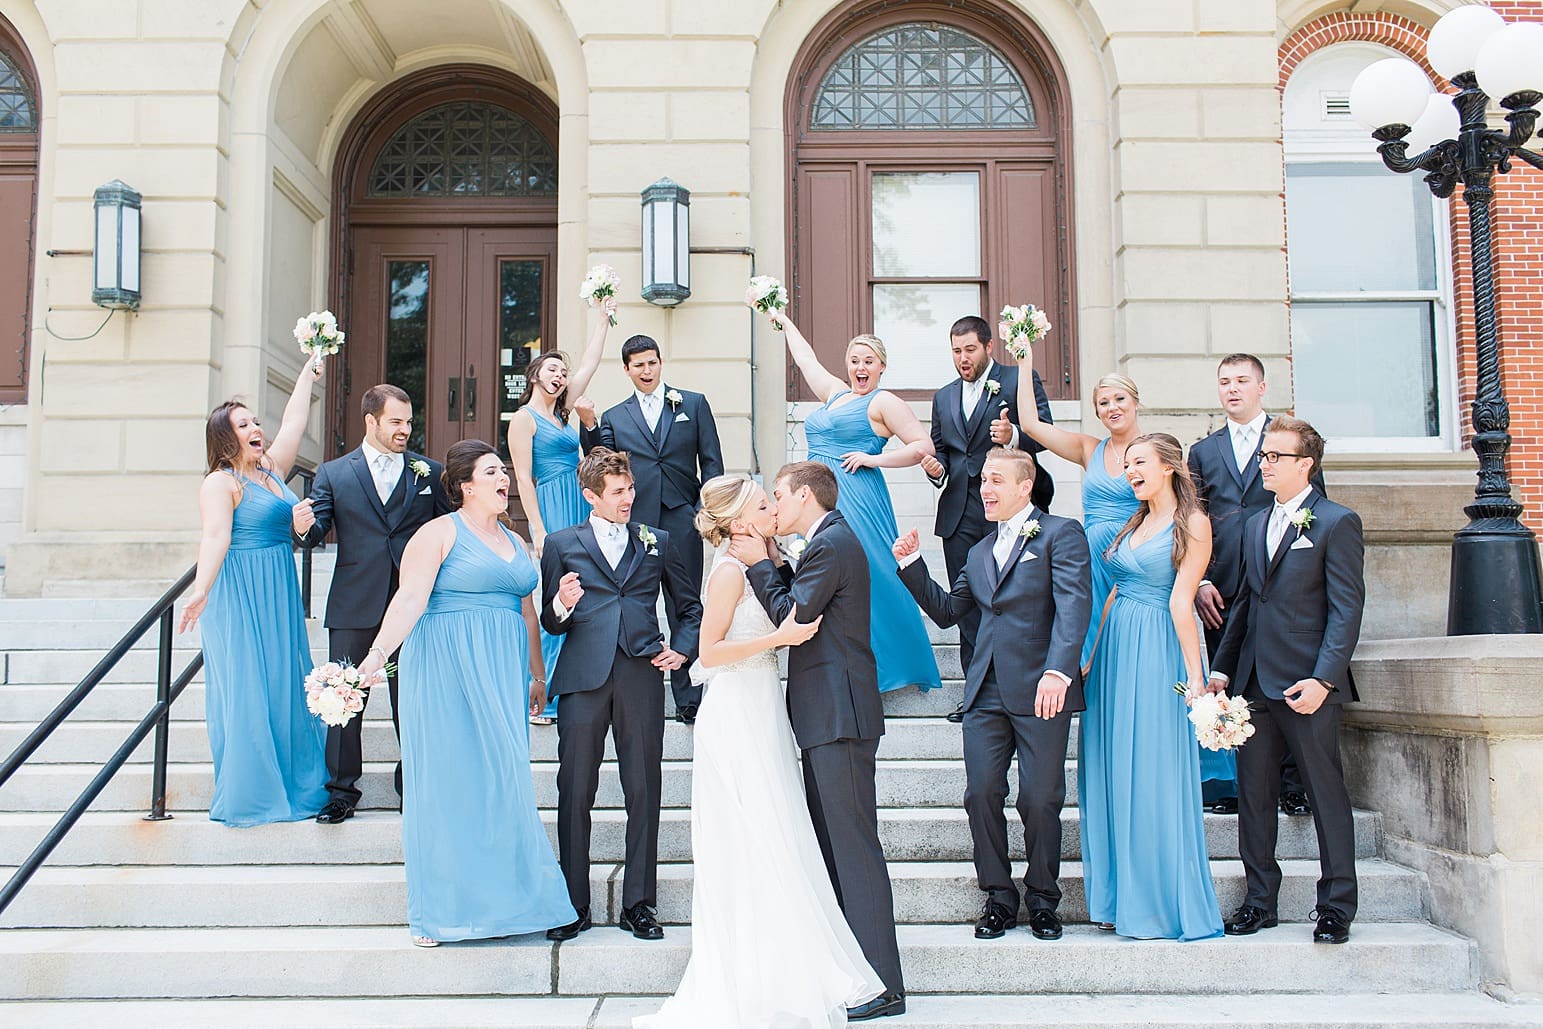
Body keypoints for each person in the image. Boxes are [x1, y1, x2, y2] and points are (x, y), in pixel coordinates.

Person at [636, 475, 885, 1028]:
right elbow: (710, 652)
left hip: (765, 710)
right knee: (751, 836)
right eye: (763, 503)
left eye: (774, 499)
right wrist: (778, 640)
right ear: (740, 520)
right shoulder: (727, 570)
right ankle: (754, 970)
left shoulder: (767, 560)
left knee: (779, 833)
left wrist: (770, 573)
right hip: (735, 713)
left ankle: (787, 958)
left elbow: (788, 597)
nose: (773, 509)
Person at [355, 439, 573, 947]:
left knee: (504, 780)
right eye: (493, 471)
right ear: (465, 485)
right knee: (447, 783)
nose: (505, 480)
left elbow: (525, 613)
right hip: (444, 667)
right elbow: (409, 598)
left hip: (502, 670)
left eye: (505, 471)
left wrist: (538, 678)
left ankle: (508, 901)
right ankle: (438, 911)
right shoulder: (436, 534)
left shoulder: (517, 543)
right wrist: (375, 654)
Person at [730, 461, 906, 1022]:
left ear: (804, 496)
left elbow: (794, 619)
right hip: (824, 715)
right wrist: (777, 562)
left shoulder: (831, 544)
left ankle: (886, 984)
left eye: (778, 496)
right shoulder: (823, 541)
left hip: (840, 717)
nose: (774, 506)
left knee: (854, 851)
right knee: (834, 849)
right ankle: (853, 972)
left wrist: (760, 565)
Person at [895, 448, 1090, 943]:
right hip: (985, 692)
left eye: (997, 480)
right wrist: (912, 565)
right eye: (983, 480)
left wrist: (1059, 672)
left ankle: (1043, 900)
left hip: (1043, 688)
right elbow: (947, 611)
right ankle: (999, 897)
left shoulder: (1060, 535)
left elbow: (1073, 607)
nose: (986, 488)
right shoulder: (979, 551)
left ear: (1025, 487)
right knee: (980, 792)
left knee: (1041, 798)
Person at [1210, 417, 1364, 946]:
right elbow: (1247, 604)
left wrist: (1324, 679)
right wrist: (1222, 669)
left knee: (1325, 793)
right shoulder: (1254, 523)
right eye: (1264, 456)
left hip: (1309, 686)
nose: (1265, 463)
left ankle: (1336, 905)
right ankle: (1259, 901)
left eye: (1276, 456)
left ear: (1307, 464)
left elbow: (1346, 613)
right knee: (1254, 796)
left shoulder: (1337, 523)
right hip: (1254, 684)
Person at [540, 448, 702, 943]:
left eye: (630, 488)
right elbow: (549, 621)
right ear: (591, 496)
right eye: (618, 492)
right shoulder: (560, 543)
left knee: (644, 788)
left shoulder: (659, 540)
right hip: (582, 679)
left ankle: (640, 903)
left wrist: (683, 650)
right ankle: (572, 904)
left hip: (640, 674)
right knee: (575, 790)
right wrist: (561, 603)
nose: (629, 498)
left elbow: (688, 607)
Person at [1080, 433, 1223, 941]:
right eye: (1127, 465)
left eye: (1139, 463)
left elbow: (1182, 602)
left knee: (1151, 767)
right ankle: (1116, 898)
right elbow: (1115, 590)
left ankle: (1157, 903)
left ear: (1169, 466)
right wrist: (1090, 655)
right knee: (1112, 767)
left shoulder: (1195, 525)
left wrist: (1196, 681)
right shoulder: (1134, 520)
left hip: (1156, 650)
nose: (1130, 472)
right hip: (1115, 650)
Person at [759, 307, 940, 695]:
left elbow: (923, 445)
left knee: (874, 570)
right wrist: (784, 320)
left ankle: (894, 663)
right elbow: (806, 359)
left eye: (869, 362)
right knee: (830, 574)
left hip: (857, 493)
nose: (861, 367)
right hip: (818, 494)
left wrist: (875, 458)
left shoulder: (882, 402)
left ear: (881, 367)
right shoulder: (836, 394)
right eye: (855, 360)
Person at [179, 361, 329, 827]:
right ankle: (254, 793)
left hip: (278, 588)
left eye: (255, 421)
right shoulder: (220, 483)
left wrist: (308, 373)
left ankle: (295, 784)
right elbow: (216, 538)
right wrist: (201, 590)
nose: (256, 428)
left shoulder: (271, 472)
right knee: (248, 687)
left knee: (284, 683)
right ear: (226, 438)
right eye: (243, 425)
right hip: (239, 592)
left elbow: (295, 424)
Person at [294, 384, 452, 824]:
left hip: (412, 607)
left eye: (409, 422)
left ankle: (415, 783)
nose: (405, 430)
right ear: (371, 421)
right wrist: (303, 527)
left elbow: (445, 530)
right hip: (353, 604)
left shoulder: (427, 471)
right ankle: (342, 791)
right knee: (343, 699)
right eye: (396, 422)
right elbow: (315, 530)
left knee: (412, 698)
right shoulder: (333, 473)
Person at [1188, 353, 1324, 817]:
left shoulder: (1289, 441)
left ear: (1261, 387)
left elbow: (1315, 508)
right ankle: (1238, 784)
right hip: (1221, 588)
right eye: (1224, 381)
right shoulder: (1204, 452)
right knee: (1231, 686)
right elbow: (1194, 517)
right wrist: (1200, 578)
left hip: (1281, 584)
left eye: (1242, 381)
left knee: (1283, 682)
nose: (1232, 389)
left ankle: (1292, 784)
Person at [580, 335, 722, 724]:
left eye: (652, 363)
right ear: (626, 369)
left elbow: (711, 465)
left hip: (682, 519)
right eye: (638, 365)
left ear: (661, 363)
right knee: (639, 606)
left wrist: (703, 512)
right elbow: (600, 461)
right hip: (636, 521)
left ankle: (689, 695)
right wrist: (590, 425)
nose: (646, 371)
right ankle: (637, 694)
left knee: (685, 604)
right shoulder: (613, 416)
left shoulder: (692, 404)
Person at [922, 315, 1056, 723]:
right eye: (956, 351)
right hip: (959, 513)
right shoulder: (943, 396)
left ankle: (1023, 689)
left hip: (1010, 509)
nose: (963, 359)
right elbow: (945, 449)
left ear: (988, 347)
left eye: (969, 350)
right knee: (967, 608)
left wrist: (1013, 436)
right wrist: (937, 469)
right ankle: (975, 694)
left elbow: (1045, 431)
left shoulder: (1018, 380)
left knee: (1019, 601)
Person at [509, 295, 615, 725]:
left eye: (564, 373)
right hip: (550, 506)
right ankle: (539, 695)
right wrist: (536, 527)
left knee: (577, 591)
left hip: (577, 502)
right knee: (553, 592)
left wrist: (603, 319)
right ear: (536, 374)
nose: (561, 376)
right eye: (552, 369)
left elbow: (590, 363)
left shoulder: (563, 414)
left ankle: (567, 685)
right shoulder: (524, 419)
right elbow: (521, 478)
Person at [1012, 355, 1142, 667]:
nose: (1112, 407)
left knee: (1126, 646)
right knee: (1089, 647)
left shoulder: (1155, 449)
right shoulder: (1089, 448)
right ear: (1096, 412)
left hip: (1135, 561)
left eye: (1119, 399)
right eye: (1103, 403)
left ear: (1136, 402)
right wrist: (1025, 361)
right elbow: (1030, 424)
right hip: (1092, 564)